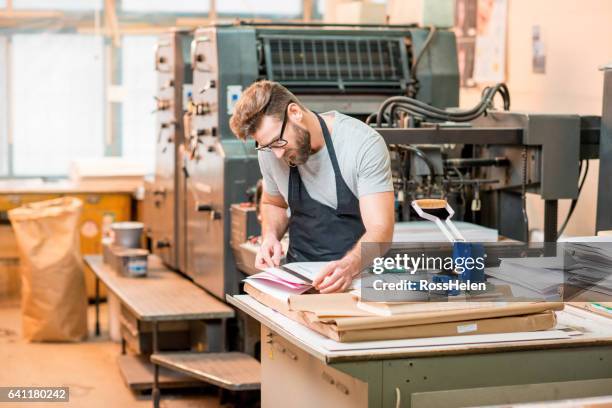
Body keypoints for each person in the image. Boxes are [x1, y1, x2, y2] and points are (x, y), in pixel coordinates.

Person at [230, 80, 394, 293]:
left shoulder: (362, 144)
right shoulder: (270, 151)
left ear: (295, 112)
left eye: (278, 142)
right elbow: (274, 203)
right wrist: (270, 235)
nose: (277, 154)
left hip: (358, 282)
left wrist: (350, 265)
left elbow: (381, 230)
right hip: (299, 281)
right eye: (267, 146)